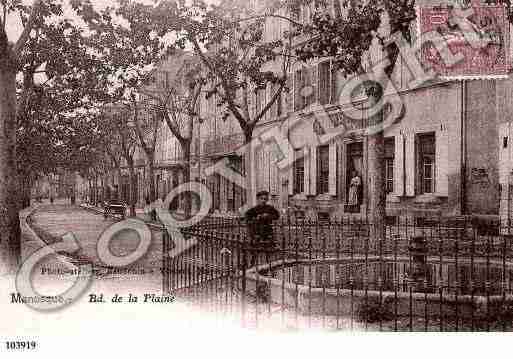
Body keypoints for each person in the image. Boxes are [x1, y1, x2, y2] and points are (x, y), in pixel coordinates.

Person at [244, 190, 280, 267]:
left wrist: (268, 216)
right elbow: (247, 218)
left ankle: (269, 265)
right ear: (258, 199)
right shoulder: (254, 209)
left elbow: (277, 215)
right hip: (257, 232)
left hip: (268, 231)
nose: (263, 201)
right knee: (255, 250)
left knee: (269, 250)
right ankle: (252, 265)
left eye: (265, 199)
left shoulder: (270, 208)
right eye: (261, 199)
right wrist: (256, 218)